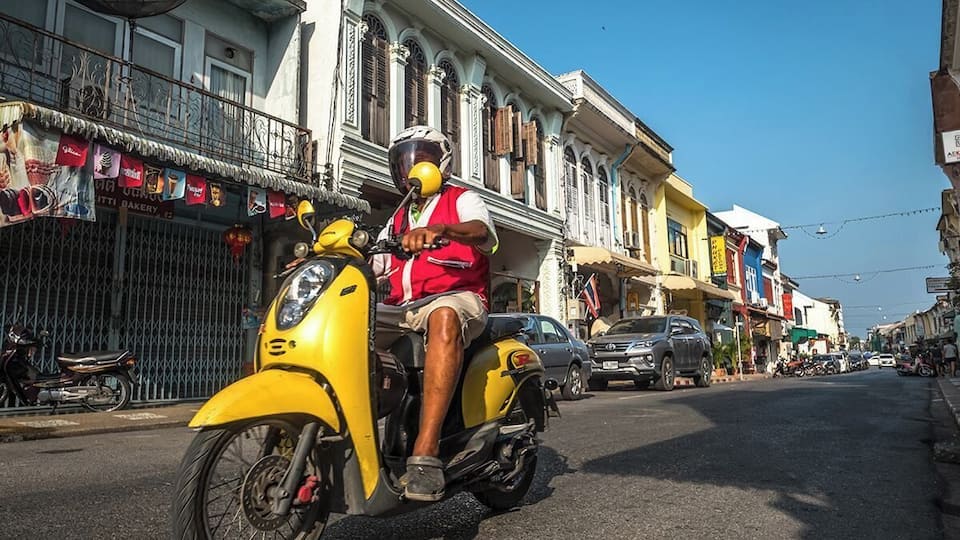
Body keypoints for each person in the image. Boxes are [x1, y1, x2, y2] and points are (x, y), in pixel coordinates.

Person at [371, 125, 498, 502]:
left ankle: (425, 454)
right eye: (403, 161)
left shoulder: (461, 198)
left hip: (458, 298)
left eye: (420, 159)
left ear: (441, 163)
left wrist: (442, 229)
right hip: (401, 308)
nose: (410, 168)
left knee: (444, 314)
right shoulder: (396, 218)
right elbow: (376, 261)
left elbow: (482, 231)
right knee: (345, 320)